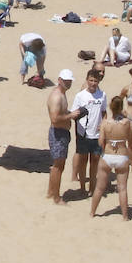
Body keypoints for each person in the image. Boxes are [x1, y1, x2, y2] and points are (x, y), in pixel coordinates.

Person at [90, 96, 132, 220]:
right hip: (121, 155)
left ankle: (92, 212)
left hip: (108, 155)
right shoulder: (126, 123)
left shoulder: (105, 123)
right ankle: (125, 216)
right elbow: (129, 139)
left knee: (99, 187)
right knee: (123, 188)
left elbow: (100, 142)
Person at [45, 69, 80, 205]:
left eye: (69, 81)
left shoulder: (62, 94)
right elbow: (54, 118)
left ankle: (50, 192)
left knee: (57, 165)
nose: (68, 83)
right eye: (66, 81)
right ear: (59, 80)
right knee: (58, 166)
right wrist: (70, 116)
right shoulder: (57, 96)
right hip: (58, 134)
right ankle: (56, 198)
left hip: (62, 133)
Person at [70, 67, 107, 194]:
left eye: (95, 81)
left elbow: (104, 112)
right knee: (83, 160)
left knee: (95, 161)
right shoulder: (80, 96)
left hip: (97, 134)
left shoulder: (102, 95)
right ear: (87, 80)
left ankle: (92, 186)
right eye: (91, 80)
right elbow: (73, 113)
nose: (93, 83)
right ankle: (82, 187)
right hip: (83, 133)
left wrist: (103, 124)